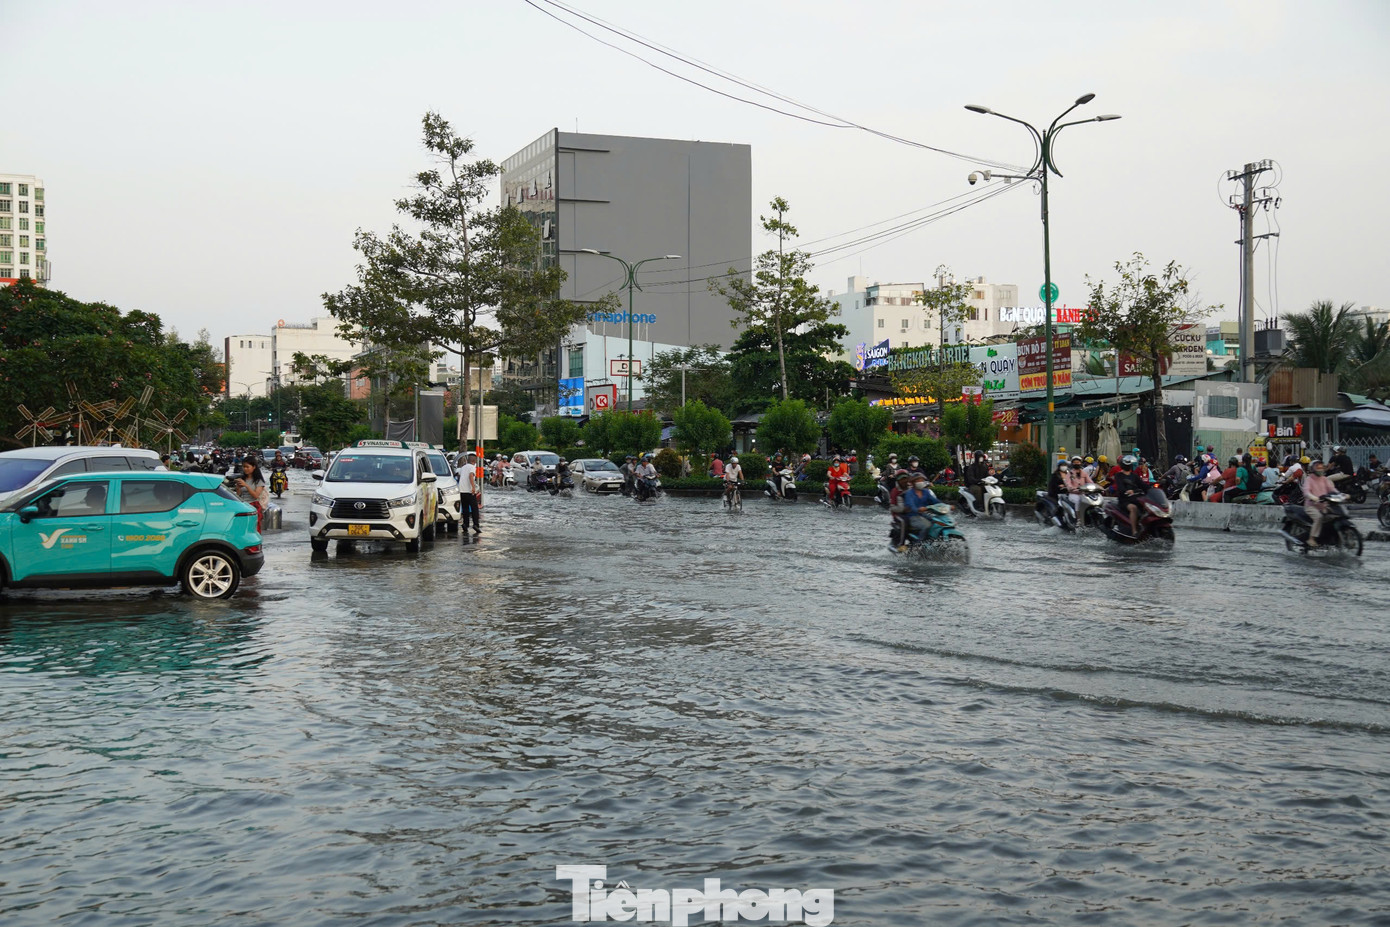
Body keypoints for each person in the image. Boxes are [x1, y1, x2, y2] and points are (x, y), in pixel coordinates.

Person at [899, 476, 942, 548]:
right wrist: (918, 509)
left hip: (924, 515)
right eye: (918, 480)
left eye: (922, 480)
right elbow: (910, 505)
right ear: (913, 483)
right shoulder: (910, 493)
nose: (921, 482)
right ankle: (919, 544)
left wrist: (946, 506)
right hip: (913, 516)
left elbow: (935, 501)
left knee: (937, 522)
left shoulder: (926, 492)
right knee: (926, 525)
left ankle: (932, 541)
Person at [1302, 459, 1337, 547]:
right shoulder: (1309, 479)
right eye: (1318, 467)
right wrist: (1312, 497)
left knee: (1335, 515)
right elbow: (1306, 491)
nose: (1320, 469)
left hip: (1324, 505)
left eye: (1321, 467)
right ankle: (1311, 539)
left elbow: (1332, 489)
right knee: (1319, 517)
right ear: (1313, 469)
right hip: (1311, 506)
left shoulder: (1325, 479)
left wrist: (1342, 495)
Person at [1112, 455, 1148, 535]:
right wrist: (1127, 491)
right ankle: (1134, 531)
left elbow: (1142, 485)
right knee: (1133, 508)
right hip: (1125, 500)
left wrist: (1153, 488)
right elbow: (1120, 487)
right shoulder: (1119, 475)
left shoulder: (1134, 476)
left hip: (1136, 499)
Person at [233, 459, 269, 531]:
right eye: (244, 467)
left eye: (247, 467)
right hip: (242, 506)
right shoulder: (243, 479)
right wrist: (238, 488)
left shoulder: (259, 481)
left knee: (252, 529)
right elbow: (239, 495)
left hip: (253, 507)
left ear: (254, 467)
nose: (245, 469)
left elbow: (256, 496)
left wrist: (246, 486)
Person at [887, 472, 913, 548]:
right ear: (898, 480)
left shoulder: (911, 488)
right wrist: (903, 509)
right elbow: (892, 507)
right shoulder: (895, 491)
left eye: (905, 478)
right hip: (899, 515)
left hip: (912, 512)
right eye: (902, 479)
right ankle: (901, 544)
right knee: (904, 521)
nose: (904, 481)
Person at [459, 451, 481, 533]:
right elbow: (471, 476)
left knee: (465, 508)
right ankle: (476, 524)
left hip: (462, 491)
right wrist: (473, 487)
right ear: (474, 461)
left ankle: (465, 524)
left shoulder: (463, 467)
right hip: (469, 491)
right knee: (474, 508)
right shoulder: (472, 467)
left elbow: (460, 475)